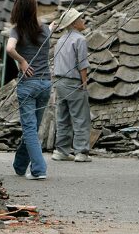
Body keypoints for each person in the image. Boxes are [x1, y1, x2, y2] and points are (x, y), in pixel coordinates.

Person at [6, 0, 52, 180]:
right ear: (34, 11)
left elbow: (10, 49)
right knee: (33, 127)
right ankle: (20, 165)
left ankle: (39, 170)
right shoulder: (46, 30)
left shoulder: (16, 31)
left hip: (28, 84)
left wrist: (23, 61)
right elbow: (51, 29)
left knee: (29, 129)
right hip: (46, 84)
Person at [51, 8, 92, 163]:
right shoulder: (79, 39)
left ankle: (61, 151)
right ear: (75, 23)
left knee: (63, 117)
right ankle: (81, 151)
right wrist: (84, 83)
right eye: (81, 19)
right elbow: (82, 64)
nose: (83, 21)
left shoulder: (60, 40)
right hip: (73, 81)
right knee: (81, 117)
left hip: (59, 82)